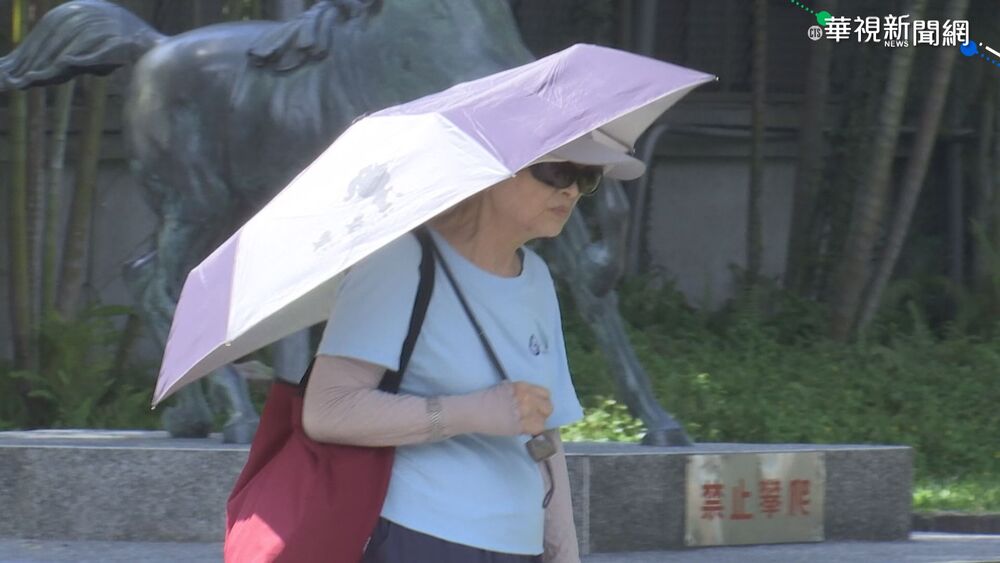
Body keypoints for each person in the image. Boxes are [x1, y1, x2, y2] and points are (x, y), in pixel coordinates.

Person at [301, 133, 645, 562]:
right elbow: (327, 410)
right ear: (493, 169)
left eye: (587, 177)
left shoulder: (537, 278)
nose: (571, 190)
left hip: (520, 543)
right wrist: (471, 412)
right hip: (420, 535)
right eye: (557, 171)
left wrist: (564, 552)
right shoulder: (399, 260)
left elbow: (545, 432)